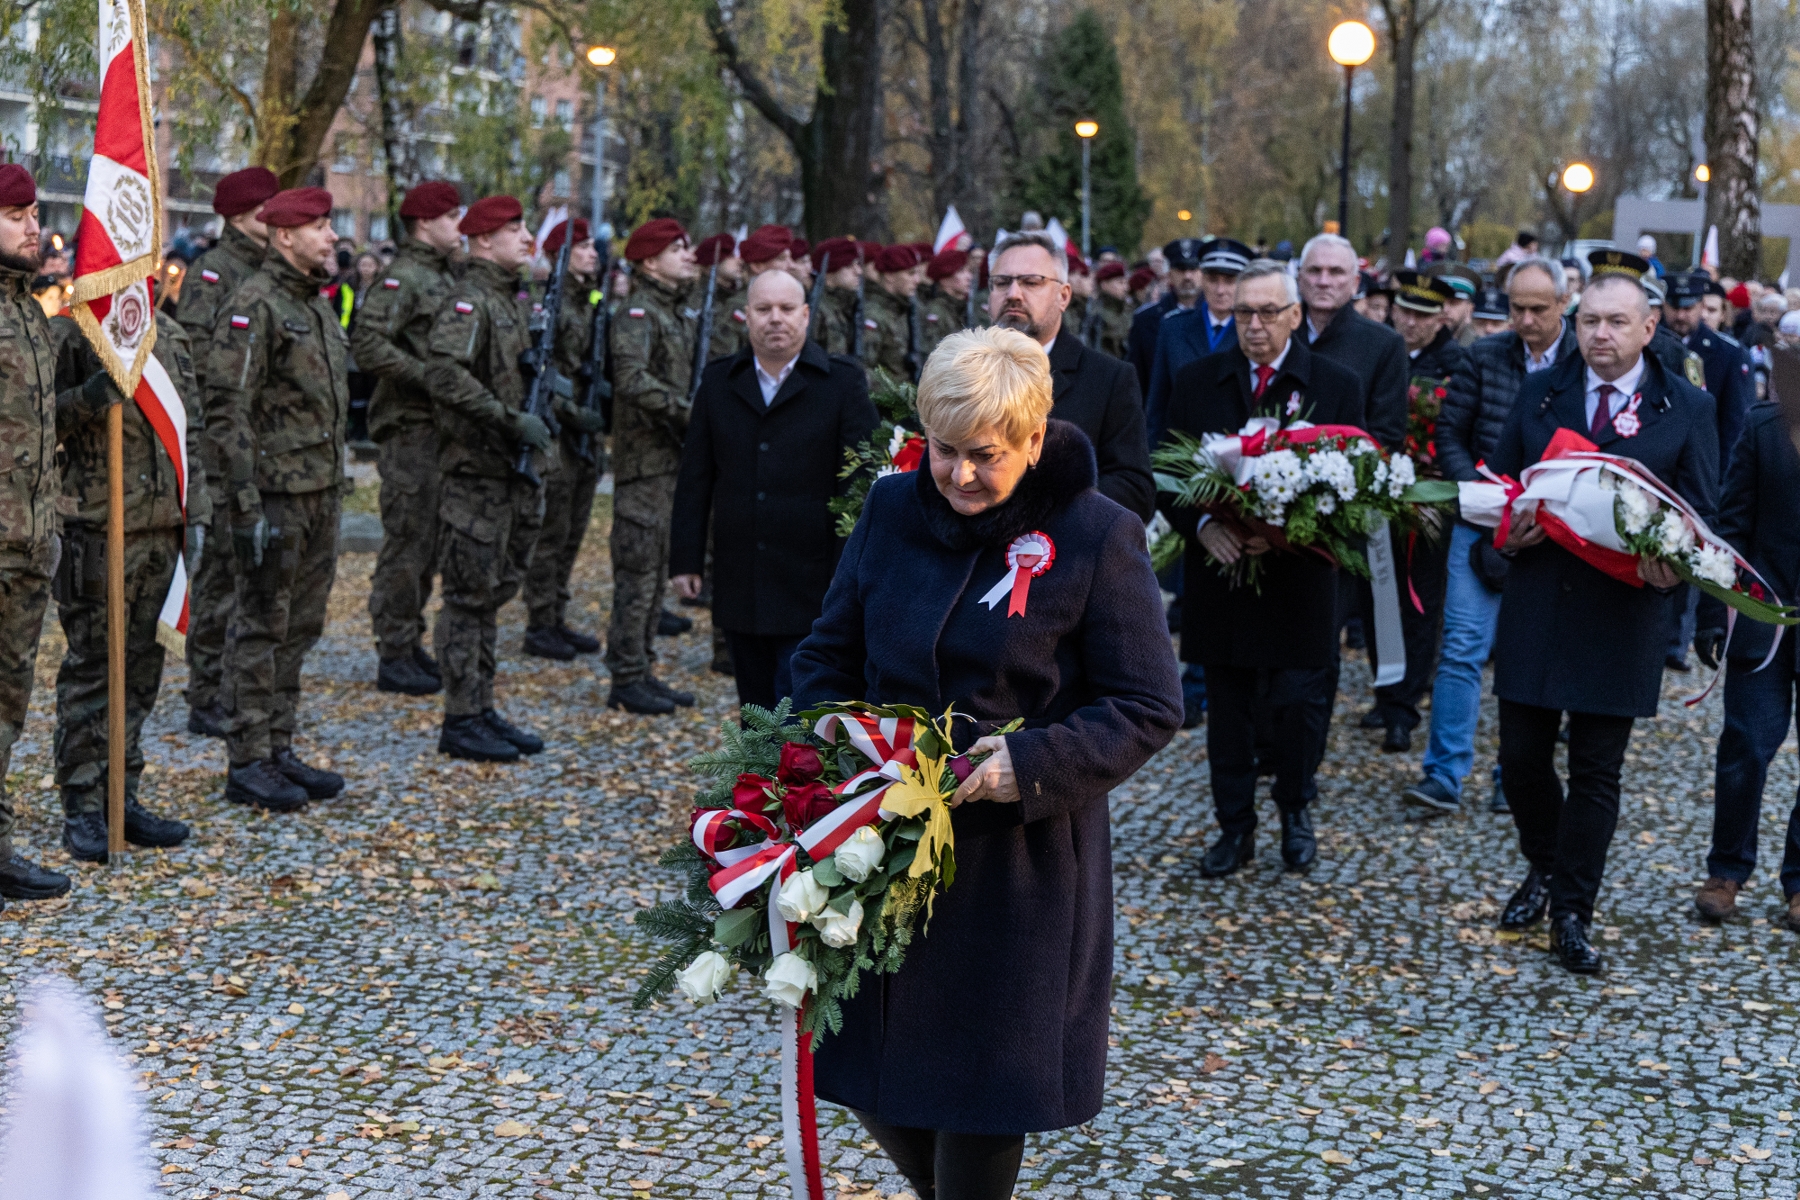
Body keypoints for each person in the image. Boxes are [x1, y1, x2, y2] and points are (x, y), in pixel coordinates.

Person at [791, 326, 1181, 1200]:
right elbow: (825, 652)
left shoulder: (1097, 536)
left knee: (978, 1101)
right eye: (944, 452)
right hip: (879, 848)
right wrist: (832, 741)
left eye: (986, 456)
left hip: (1016, 869)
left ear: (1035, 440)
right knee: (868, 1069)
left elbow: (1149, 704)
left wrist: (1032, 764)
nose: (961, 476)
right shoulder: (892, 510)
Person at [1487, 267, 1718, 974]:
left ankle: (1573, 911)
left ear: (1650, 328)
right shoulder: (1542, 391)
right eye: (1589, 321)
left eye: (1617, 322)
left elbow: (1703, 513)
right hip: (1539, 601)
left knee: (1595, 770)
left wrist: (1675, 569)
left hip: (1622, 612)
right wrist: (1508, 531)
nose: (1600, 335)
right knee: (1521, 760)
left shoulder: (1685, 406)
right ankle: (1546, 864)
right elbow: (1501, 480)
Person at [1162, 259, 1365, 877]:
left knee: (1296, 707)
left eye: (1267, 312)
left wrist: (1290, 532)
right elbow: (1166, 473)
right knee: (1228, 710)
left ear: (1295, 316)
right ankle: (1234, 828)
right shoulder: (1197, 380)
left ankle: (1295, 814)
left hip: (1299, 579)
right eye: (1242, 313)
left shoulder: (1333, 384)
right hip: (1221, 576)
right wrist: (1205, 526)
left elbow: (1356, 486)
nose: (1253, 325)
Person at [1402, 255, 1576, 818]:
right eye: (1516, 308)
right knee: (1461, 649)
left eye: (1536, 310)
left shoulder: (1581, 363)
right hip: (1480, 523)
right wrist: (1475, 485)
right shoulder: (1484, 357)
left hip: (1554, 535)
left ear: (1563, 304)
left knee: (1532, 657)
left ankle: (1517, 774)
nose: (1523, 320)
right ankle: (1444, 774)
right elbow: (1449, 432)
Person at [205, 187, 350, 811]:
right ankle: (247, 759)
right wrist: (241, 505)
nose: (331, 237)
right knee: (260, 625)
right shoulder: (255, 304)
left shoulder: (314, 305)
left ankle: (279, 745)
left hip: (320, 489)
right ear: (283, 237)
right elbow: (227, 410)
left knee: (301, 625)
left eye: (330, 226)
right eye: (318, 227)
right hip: (273, 495)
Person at [670, 271, 877, 708]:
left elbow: (860, 483)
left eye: (786, 309)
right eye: (763, 310)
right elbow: (696, 476)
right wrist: (686, 559)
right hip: (741, 573)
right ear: (746, 317)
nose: (775, 320)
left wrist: (849, 573)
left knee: (800, 709)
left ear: (805, 315)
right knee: (755, 707)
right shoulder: (720, 382)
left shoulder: (841, 383)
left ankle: (789, 779)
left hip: (813, 577)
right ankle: (756, 779)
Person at [51, 310, 206, 862]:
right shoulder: (74, 332)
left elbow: (193, 434)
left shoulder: (172, 333)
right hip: (96, 526)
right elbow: (36, 422)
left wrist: (199, 515)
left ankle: (123, 793)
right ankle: (84, 805)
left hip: (162, 527)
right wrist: (92, 396)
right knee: (95, 668)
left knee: (142, 670)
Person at [421, 195, 549, 760]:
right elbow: (443, 374)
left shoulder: (507, 300)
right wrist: (504, 418)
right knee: (468, 597)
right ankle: (460, 716)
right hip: (474, 473)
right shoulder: (470, 302)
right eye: (513, 229)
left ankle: (481, 705)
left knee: (492, 593)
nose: (527, 238)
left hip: (504, 474)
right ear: (480, 242)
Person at [176, 165, 279, 739]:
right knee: (218, 575)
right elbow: (193, 361)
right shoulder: (215, 274)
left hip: (262, 443)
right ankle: (206, 691)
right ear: (244, 216)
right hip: (221, 442)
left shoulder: (267, 272)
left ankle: (238, 684)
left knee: (253, 574)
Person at [1692, 403, 1800, 925]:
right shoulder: (1763, 426)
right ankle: (1727, 870)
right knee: (1746, 745)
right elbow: (1729, 526)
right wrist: (1714, 612)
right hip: (1764, 615)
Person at [353, 179, 462, 697]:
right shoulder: (405, 278)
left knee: (429, 544)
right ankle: (393, 649)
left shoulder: (443, 276)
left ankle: (409, 639)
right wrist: (427, 376)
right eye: (451, 218)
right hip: (410, 429)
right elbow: (368, 342)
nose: (460, 228)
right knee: (408, 542)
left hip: (440, 429)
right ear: (425, 224)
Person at [0, 165, 76, 898]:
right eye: (17, 215)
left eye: (34, 214)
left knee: (8, 702)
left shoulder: (28, 309)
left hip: (29, 539)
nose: (34, 228)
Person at [1360, 271, 1470, 752]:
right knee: (1376, 595)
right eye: (1404, 310)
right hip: (1377, 491)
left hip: (1429, 498)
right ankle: (1385, 692)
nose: (1409, 321)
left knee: (1420, 601)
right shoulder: (1382, 350)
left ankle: (1405, 706)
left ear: (1442, 316)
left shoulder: (1458, 362)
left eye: (1422, 314)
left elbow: (1457, 429)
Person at [985, 231, 1155, 521]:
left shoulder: (1109, 379)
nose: (1013, 293)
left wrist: (1047, 503)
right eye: (1001, 282)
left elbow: (1135, 488)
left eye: (1031, 282)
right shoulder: (958, 370)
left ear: (1063, 296)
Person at [607, 218, 700, 715]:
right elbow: (631, 378)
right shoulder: (638, 313)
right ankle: (625, 675)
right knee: (637, 572)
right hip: (644, 462)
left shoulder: (673, 312)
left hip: (668, 460)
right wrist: (687, 411)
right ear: (648, 261)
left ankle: (641, 666)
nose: (689, 254)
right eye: (676, 248)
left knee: (653, 571)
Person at [521, 217, 608, 662]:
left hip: (581, 436)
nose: (593, 252)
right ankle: (539, 622)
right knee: (551, 533)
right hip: (558, 431)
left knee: (572, 530)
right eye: (584, 246)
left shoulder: (586, 301)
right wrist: (577, 413)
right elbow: (545, 370)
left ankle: (556, 614)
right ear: (560, 254)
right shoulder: (547, 303)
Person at [1299, 233, 1406, 449]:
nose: (1323, 281)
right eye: (1314, 271)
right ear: (1300, 278)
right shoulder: (1279, 334)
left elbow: (1387, 434)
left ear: (1355, 283)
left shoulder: (1384, 344)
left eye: (1336, 272)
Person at [1143, 238, 1251, 446]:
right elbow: (1157, 404)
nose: (1220, 290)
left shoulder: (1252, 331)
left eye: (1229, 281)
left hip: (1239, 456)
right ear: (1202, 280)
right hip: (1182, 458)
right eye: (1212, 280)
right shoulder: (1173, 328)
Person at [1127, 238, 1206, 393]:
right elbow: (1137, 378)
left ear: (1202, 273)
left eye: (1193, 269)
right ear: (1169, 274)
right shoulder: (1146, 319)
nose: (1187, 277)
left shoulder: (1216, 316)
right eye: (1181, 270)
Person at [859, 244, 921, 380]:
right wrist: (896, 392)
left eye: (917, 273)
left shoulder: (902, 310)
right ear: (890, 276)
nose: (917, 280)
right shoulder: (874, 315)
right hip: (886, 399)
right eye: (910, 273)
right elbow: (863, 371)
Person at [698, 231, 747, 362]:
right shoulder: (696, 300)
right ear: (710, 263)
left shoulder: (738, 298)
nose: (740, 261)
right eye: (730, 255)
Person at [809, 237, 862, 355]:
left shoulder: (849, 305)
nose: (858, 271)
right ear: (829, 272)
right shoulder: (816, 310)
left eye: (858, 264)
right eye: (849, 266)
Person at [920, 246, 972, 357]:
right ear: (944, 279)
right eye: (961, 271)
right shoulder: (936, 311)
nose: (969, 277)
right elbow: (932, 355)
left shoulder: (959, 308)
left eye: (968, 271)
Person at [1091, 262, 1132, 359]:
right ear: (1104, 285)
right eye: (1120, 283)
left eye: (1126, 283)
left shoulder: (1127, 309)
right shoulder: (1095, 312)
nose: (1126, 288)